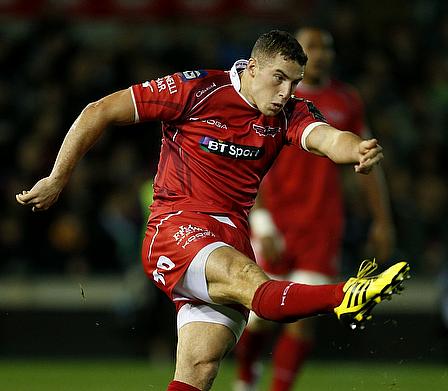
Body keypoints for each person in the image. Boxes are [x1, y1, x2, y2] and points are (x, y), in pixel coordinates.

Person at [15, 30, 410, 391]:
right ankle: (346, 295)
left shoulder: (291, 112)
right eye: (278, 78)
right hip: (178, 229)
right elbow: (98, 110)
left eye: (294, 82)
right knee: (255, 287)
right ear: (252, 68)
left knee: (199, 368)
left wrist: (354, 149)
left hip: (231, 237)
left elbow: (325, 138)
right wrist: (56, 178)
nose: (286, 91)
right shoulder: (197, 88)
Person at [234, 27, 395, 391]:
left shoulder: (346, 100)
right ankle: (245, 376)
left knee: (302, 318)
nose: (321, 54)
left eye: (327, 48)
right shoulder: (271, 97)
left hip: (320, 224)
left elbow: (366, 162)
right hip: (274, 218)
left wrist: (383, 221)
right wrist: (260, 221)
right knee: (257, 316)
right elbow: (246, 155)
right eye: (313, 47)